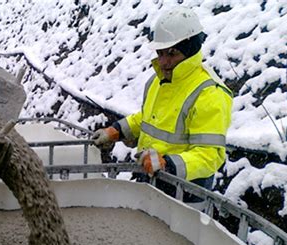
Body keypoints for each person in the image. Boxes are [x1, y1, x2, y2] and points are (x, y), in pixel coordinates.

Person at [92, 6, 232, 196]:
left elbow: (210, 155)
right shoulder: (158, 81)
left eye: (172, 53)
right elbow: (149, 119)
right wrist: (117, 130)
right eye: (160, 53)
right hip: (150, 182)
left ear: (190, 51)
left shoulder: (209, 93)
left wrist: (168, 165)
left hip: (183, 195)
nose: (163, 61)